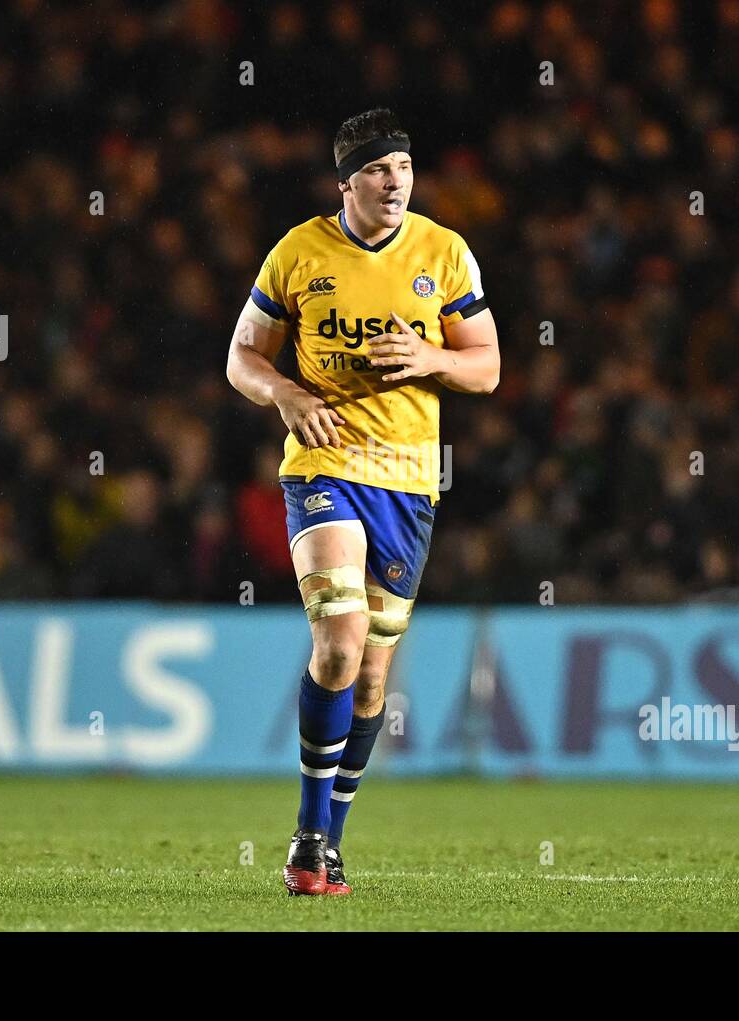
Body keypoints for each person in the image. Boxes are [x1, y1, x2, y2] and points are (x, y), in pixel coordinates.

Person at [226, 109, 499, 895]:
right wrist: (283, 393)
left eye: (405, 170)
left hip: (410, 481)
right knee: (340, 643)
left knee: (374, 678)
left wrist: (430, 355)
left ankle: (331, 839)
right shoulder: (299, 252)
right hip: (323, 465)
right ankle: (308, 836)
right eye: (380, 171)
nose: (395, 183)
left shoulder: (443, 253)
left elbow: (487, 370)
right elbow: (243, 354)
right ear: (346, 181)